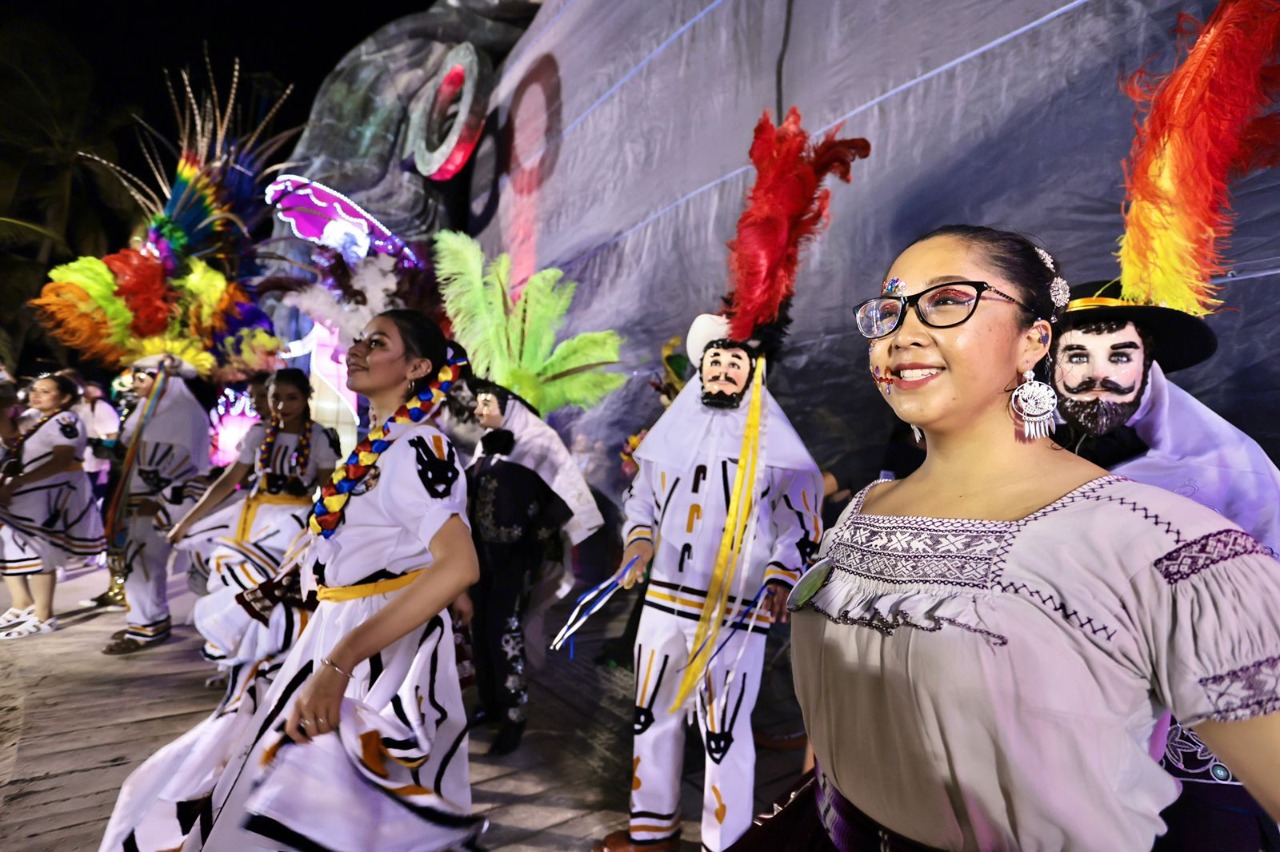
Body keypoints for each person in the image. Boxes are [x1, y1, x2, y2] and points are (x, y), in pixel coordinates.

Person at [788, 225, 1280, 850]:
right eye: (888, 311)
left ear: (1033, 341)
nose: (901, 334)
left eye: (947, 300)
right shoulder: (862, 512)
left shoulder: (1158, 539)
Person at [168, 309, 483, 851]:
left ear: (416, 367)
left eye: (376, 343)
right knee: (310, 799)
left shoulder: (416, 447)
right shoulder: (377, 443)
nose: (356, 350)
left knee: (335, 807)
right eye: (359, 340)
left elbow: (459, 565)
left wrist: (342, 662)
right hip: (341, 628)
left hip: (373, 646)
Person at [1052, 283, 1280, 848]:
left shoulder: (1225, 469)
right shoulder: (1021, 454)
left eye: (1119, 355)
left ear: (1148, 366)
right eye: (1077, 355)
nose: (1097, 375)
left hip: (1197, 738)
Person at [457, 380, 595, 756]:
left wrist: (534, 536)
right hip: (480, 556)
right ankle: (490, 703)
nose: (478, 410)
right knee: (481, 630)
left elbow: (569, 498)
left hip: (514, 560)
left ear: (509, 407)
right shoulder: (487, 446)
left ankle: (514, 715)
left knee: (505, 632)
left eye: (486, 404)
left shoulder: (537, 444)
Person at [167, 368, 339, 665]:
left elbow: (328, 492)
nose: (282, 406)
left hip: (292, 526)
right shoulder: (259, 433)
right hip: (252, 519)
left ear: (306, 398)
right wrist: (187, 522)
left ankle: (266, 661)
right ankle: (232, 660)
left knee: (271, 591)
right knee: (238, 584)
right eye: (275, 398)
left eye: (292, 398)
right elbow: (227, 481)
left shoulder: (320, 437)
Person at [100, 360, 213, 654]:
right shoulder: (148, 410)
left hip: (172, 500)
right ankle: (147, 623)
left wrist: (159, 498)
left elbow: (185, 462)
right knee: (140, 560)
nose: (135, 384)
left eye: (142, 378)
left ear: (163, 380)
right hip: (146, 498)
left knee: (194, 565)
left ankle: (213, 629)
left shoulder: (182, 411)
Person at [0, 374, 105, 638]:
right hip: (33, 489)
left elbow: (62, 460)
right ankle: (23, 604)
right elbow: (9, 435)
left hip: (53, 491)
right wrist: (2, 406)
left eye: (45, 391)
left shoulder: (66, 420)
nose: (36, 395)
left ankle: (44, 616)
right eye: (34, 390)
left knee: (39, 548)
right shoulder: (35, 417)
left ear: (65, 397)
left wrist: (18, 482)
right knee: (11, 542)